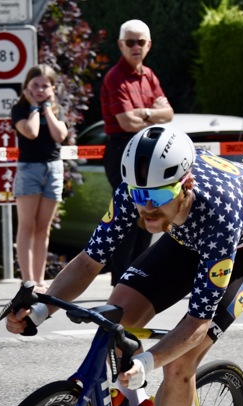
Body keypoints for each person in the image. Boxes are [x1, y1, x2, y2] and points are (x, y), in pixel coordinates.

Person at [6, 125, 243, 406]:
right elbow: (89, 261)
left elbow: (198, 321)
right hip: (185, 234)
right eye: (139, 197)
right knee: (115, 316)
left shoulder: (219, 214)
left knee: (180, 363)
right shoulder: (138, 193)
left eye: (156, 197)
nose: (146, 209)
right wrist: (40, 310)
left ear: (185, 185)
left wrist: (148, 361)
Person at [99, 19, 173, 284]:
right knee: (128, 217)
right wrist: (153, 113)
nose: (135, 47)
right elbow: (127, 123)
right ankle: (121, 280)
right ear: (120, 45)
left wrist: (143, 112)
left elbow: (169, 114)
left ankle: (139, 278)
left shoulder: (149, 75)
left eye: (140, 41)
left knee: (148, 215)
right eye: (129, 42)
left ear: (149, 44)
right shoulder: (114, 77)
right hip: (122, 150)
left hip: (146, 152)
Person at [11, 65, 69, 288]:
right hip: (29, 170)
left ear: (53, 88)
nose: (40, 89)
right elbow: (31, 132)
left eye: (45, 86)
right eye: (35, 85)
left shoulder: (57, 110)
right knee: (27, 225)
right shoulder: (19, 109)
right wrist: (34, 107)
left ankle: (39, 279)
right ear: (27, 86)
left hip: (53, 169)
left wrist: (47, 109)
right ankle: (27, 280)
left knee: (43, 228)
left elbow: (60, 135)